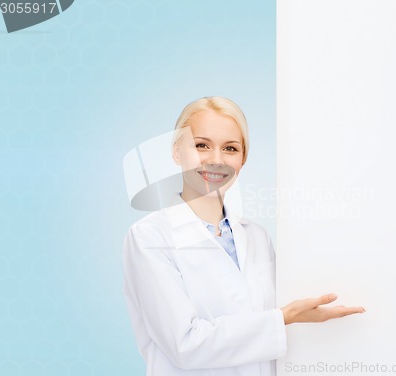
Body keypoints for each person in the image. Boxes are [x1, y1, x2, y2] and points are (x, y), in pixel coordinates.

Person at [123, 96, 365, 376]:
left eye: (230, 148)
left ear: (243, 158)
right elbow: (185, 344)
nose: (216, 160)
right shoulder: (149, 237)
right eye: (201, 145)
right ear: (177, 151)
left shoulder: (257, 237)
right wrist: (283, 318)